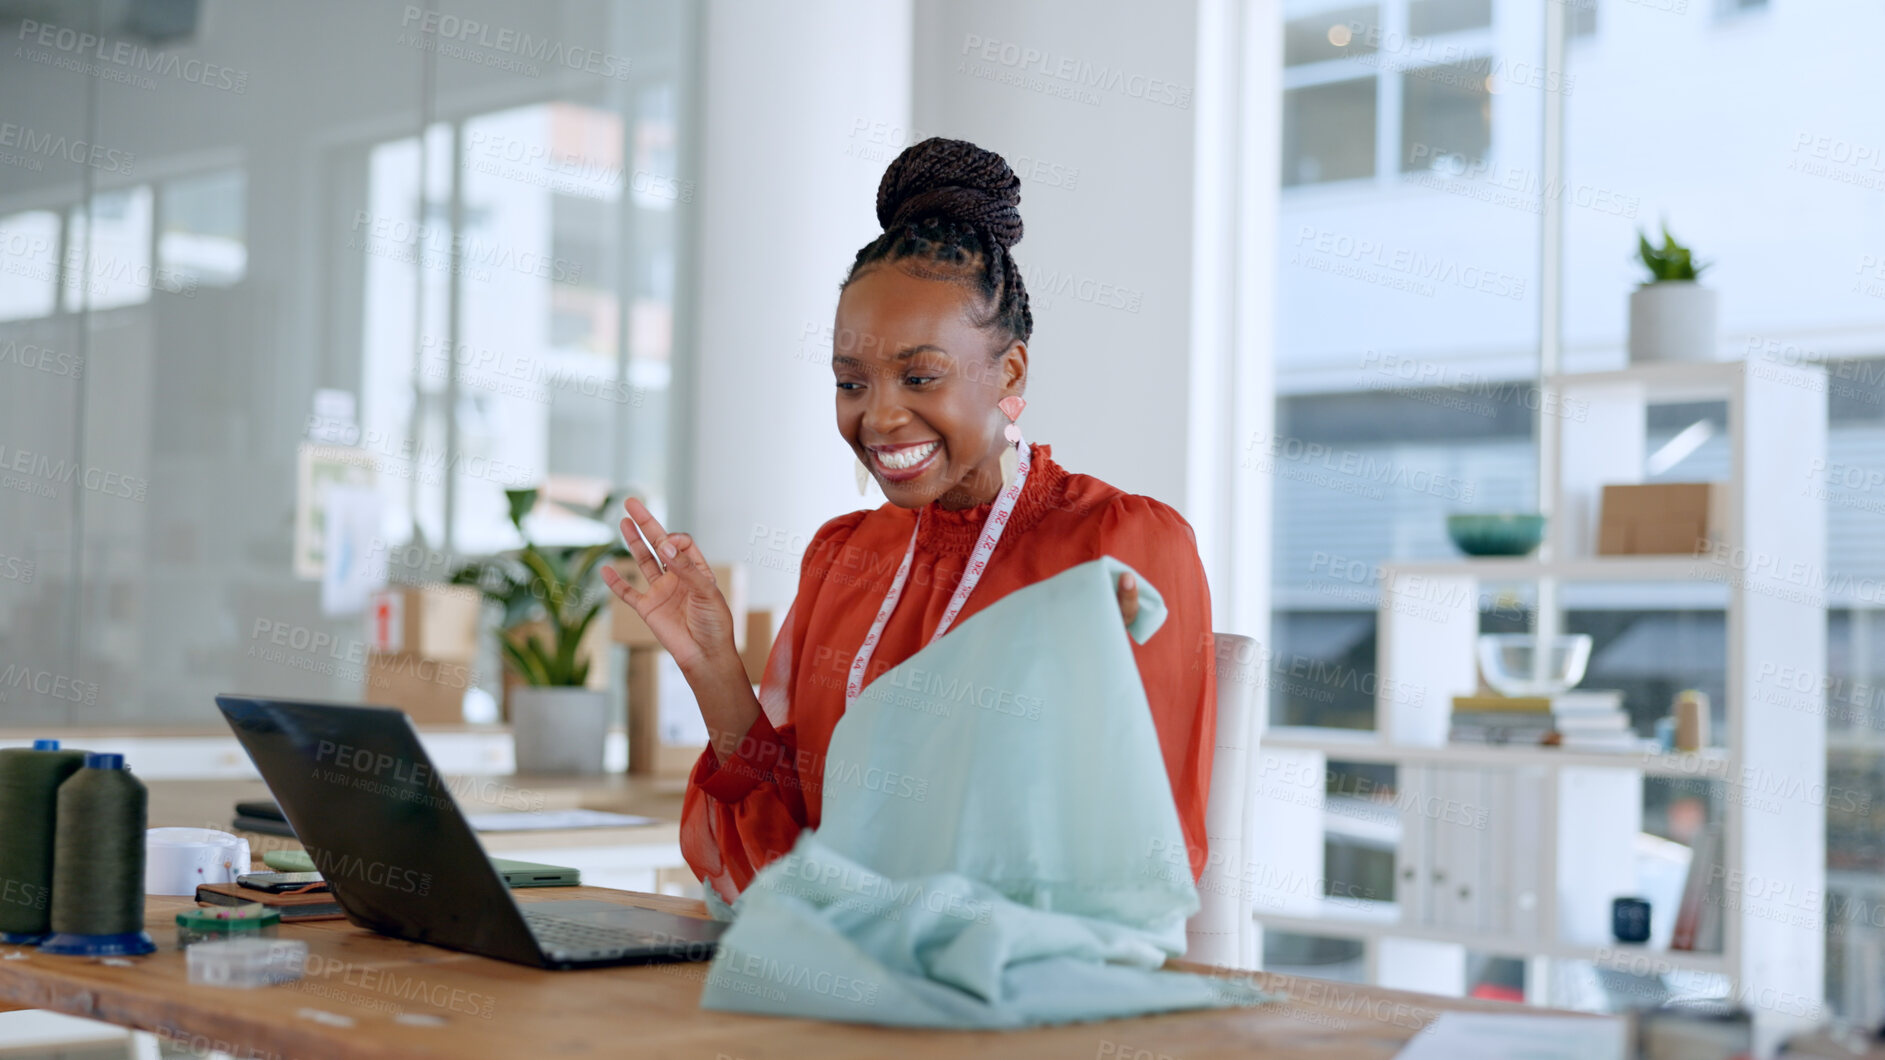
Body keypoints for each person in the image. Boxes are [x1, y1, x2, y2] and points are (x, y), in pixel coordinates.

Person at [603, 137, 1218, 906]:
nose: (880, 416)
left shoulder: (1116, 547)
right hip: (832, 976)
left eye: (920, 376)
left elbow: (1135, 861)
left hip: (1007, 995)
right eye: (850, 382)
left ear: (1010, 372)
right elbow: (788, 853)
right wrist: (712, 667)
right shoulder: (844, 555)